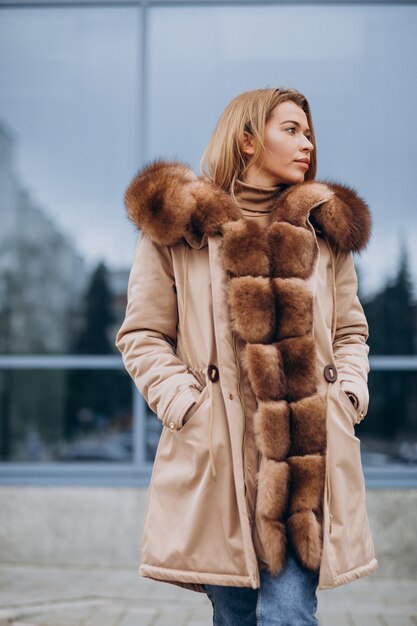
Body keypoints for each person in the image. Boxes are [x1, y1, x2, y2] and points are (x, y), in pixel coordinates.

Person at [115, 87, 378, 625]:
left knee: (289, 615)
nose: (307, 143)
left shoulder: (324, 231)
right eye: (291, 130)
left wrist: (347, 394)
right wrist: (187, 405)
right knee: (233, 617)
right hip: (220, 465)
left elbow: (351, 332)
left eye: (308, 133)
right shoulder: (180, 227)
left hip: (304, 469)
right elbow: (141, 334)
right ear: (248, 139)